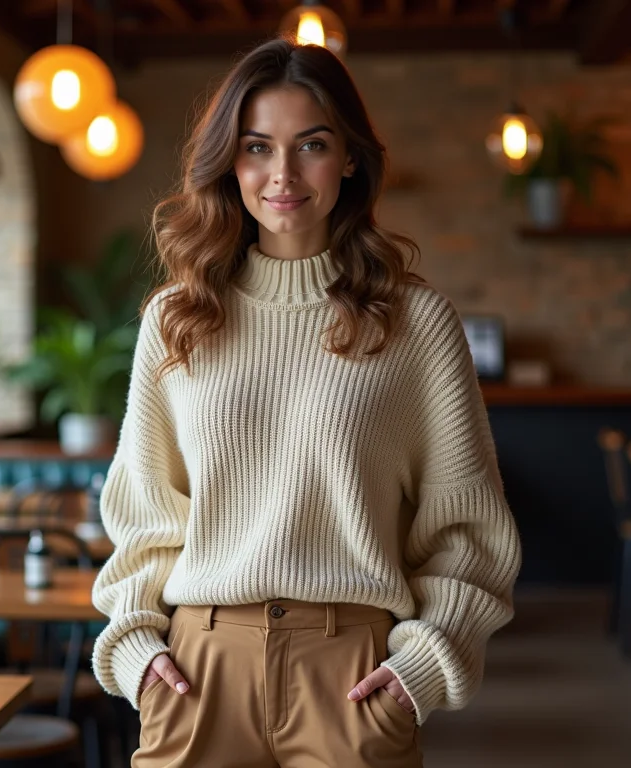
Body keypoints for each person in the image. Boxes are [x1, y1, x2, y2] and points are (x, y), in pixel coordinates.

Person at [90, 37, 523, 768]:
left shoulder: (415, 323)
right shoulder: (177, 317)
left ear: (349, 158)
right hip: (197, 670)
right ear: (230, 162)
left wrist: (420, 666)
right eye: (257, 147)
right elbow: (145, 516)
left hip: (353, 673)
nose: (281, 174)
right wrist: (136, 649)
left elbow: (469, 532)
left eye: (311, 145)